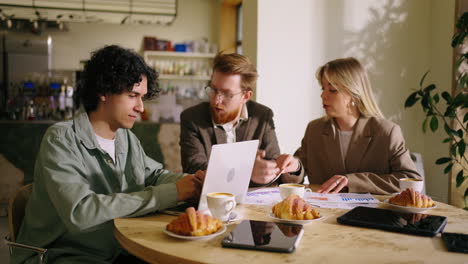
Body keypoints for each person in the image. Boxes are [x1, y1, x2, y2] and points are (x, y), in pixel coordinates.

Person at [11, 45, 203, 264]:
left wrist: (194, 181)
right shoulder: (61, 139)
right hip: (61, 255)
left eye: (142, 97)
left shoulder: (125, 138)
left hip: (113, 248)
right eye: (132, 96)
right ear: (103, 91)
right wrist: (172, 193)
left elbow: (153, 175)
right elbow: (81, 212)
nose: (140, 107)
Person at [276, 57, 420, 194]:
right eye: (323, 88)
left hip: (372, 217)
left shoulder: (386, 131)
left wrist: (352, 182)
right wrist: (294, 167)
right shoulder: (315, 129)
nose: (323, 95)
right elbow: (298, 174)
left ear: (353, 93)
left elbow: (411, 181)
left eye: (332, 90)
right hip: (322, 214)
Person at [179, 53, 303, 187]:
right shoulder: (192, 118)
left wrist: (295, 168)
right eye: (214, 90)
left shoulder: (262, 116)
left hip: (254, 204)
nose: (216, 100)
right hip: (209, 202)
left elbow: (274, 169)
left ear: (246, 96)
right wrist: (245, 171)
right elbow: (194, 169)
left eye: (227, 94)